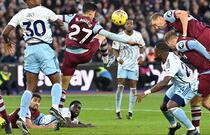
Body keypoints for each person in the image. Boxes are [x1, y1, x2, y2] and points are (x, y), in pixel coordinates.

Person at [150, 10, 210, 130]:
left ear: (160, 18)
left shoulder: (168, 18)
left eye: (155, 24)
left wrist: (185, 34)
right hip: (205, 48)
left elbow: (184, 14)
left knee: (203, 100)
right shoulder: (176, 35)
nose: (156, 27)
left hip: (203, 37)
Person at [57, 3, 141, 111]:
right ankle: (105, 59)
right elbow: (111, 35)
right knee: (102, 36)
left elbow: (55, 17)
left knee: (64, 85)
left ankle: (58, 110)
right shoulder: (94, 24)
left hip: (69, 55)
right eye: (94, 14)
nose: (94, 16)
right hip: (83, 55)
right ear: (91, 12)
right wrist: (127, 41)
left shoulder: (73, 17)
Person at [2, 0, 66, 134]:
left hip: (29, 50)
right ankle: (55, 107)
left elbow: (5, 32)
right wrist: (65, 29)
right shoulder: (44, 10)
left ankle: (21, 116)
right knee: (57, 80)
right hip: (44, 48)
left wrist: (8, 43)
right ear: (30, 0)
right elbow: (60, 24)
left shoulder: (20, 14)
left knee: (30, 87)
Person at [164, 30, 210, 135]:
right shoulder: (181, 46)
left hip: (208, 73)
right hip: (209, 72)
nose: (170, 47)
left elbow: (194, 43)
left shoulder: (181, 44)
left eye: (168, 45)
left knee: (196, 102)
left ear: (170, 41)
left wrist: (207, 55)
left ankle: (197, 130)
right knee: (204, 102)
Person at [136, 42, 199, 135]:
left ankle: (192, 130)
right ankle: (174, 126)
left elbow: (164, 82)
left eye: (155, 51)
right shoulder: (164, 59)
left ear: (160, 52)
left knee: (171, 106)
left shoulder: (171, 62)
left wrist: (145, 93)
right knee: (163, 107)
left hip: (188, 85)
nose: (154, 53)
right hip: (177, 84)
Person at [109, 18, 145, 119]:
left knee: (133, 88)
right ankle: (117, 111)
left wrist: (141, 55)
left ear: (133, 25)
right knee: (120, 86)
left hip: (134, 65)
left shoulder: (138, 35)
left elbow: (142, 46)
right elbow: (115, 49)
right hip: (123, 64)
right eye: (127, 24)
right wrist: (118, 58)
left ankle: (130, 112)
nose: (129, 25)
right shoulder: (119, 36)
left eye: (131, 24)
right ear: (124, 25)